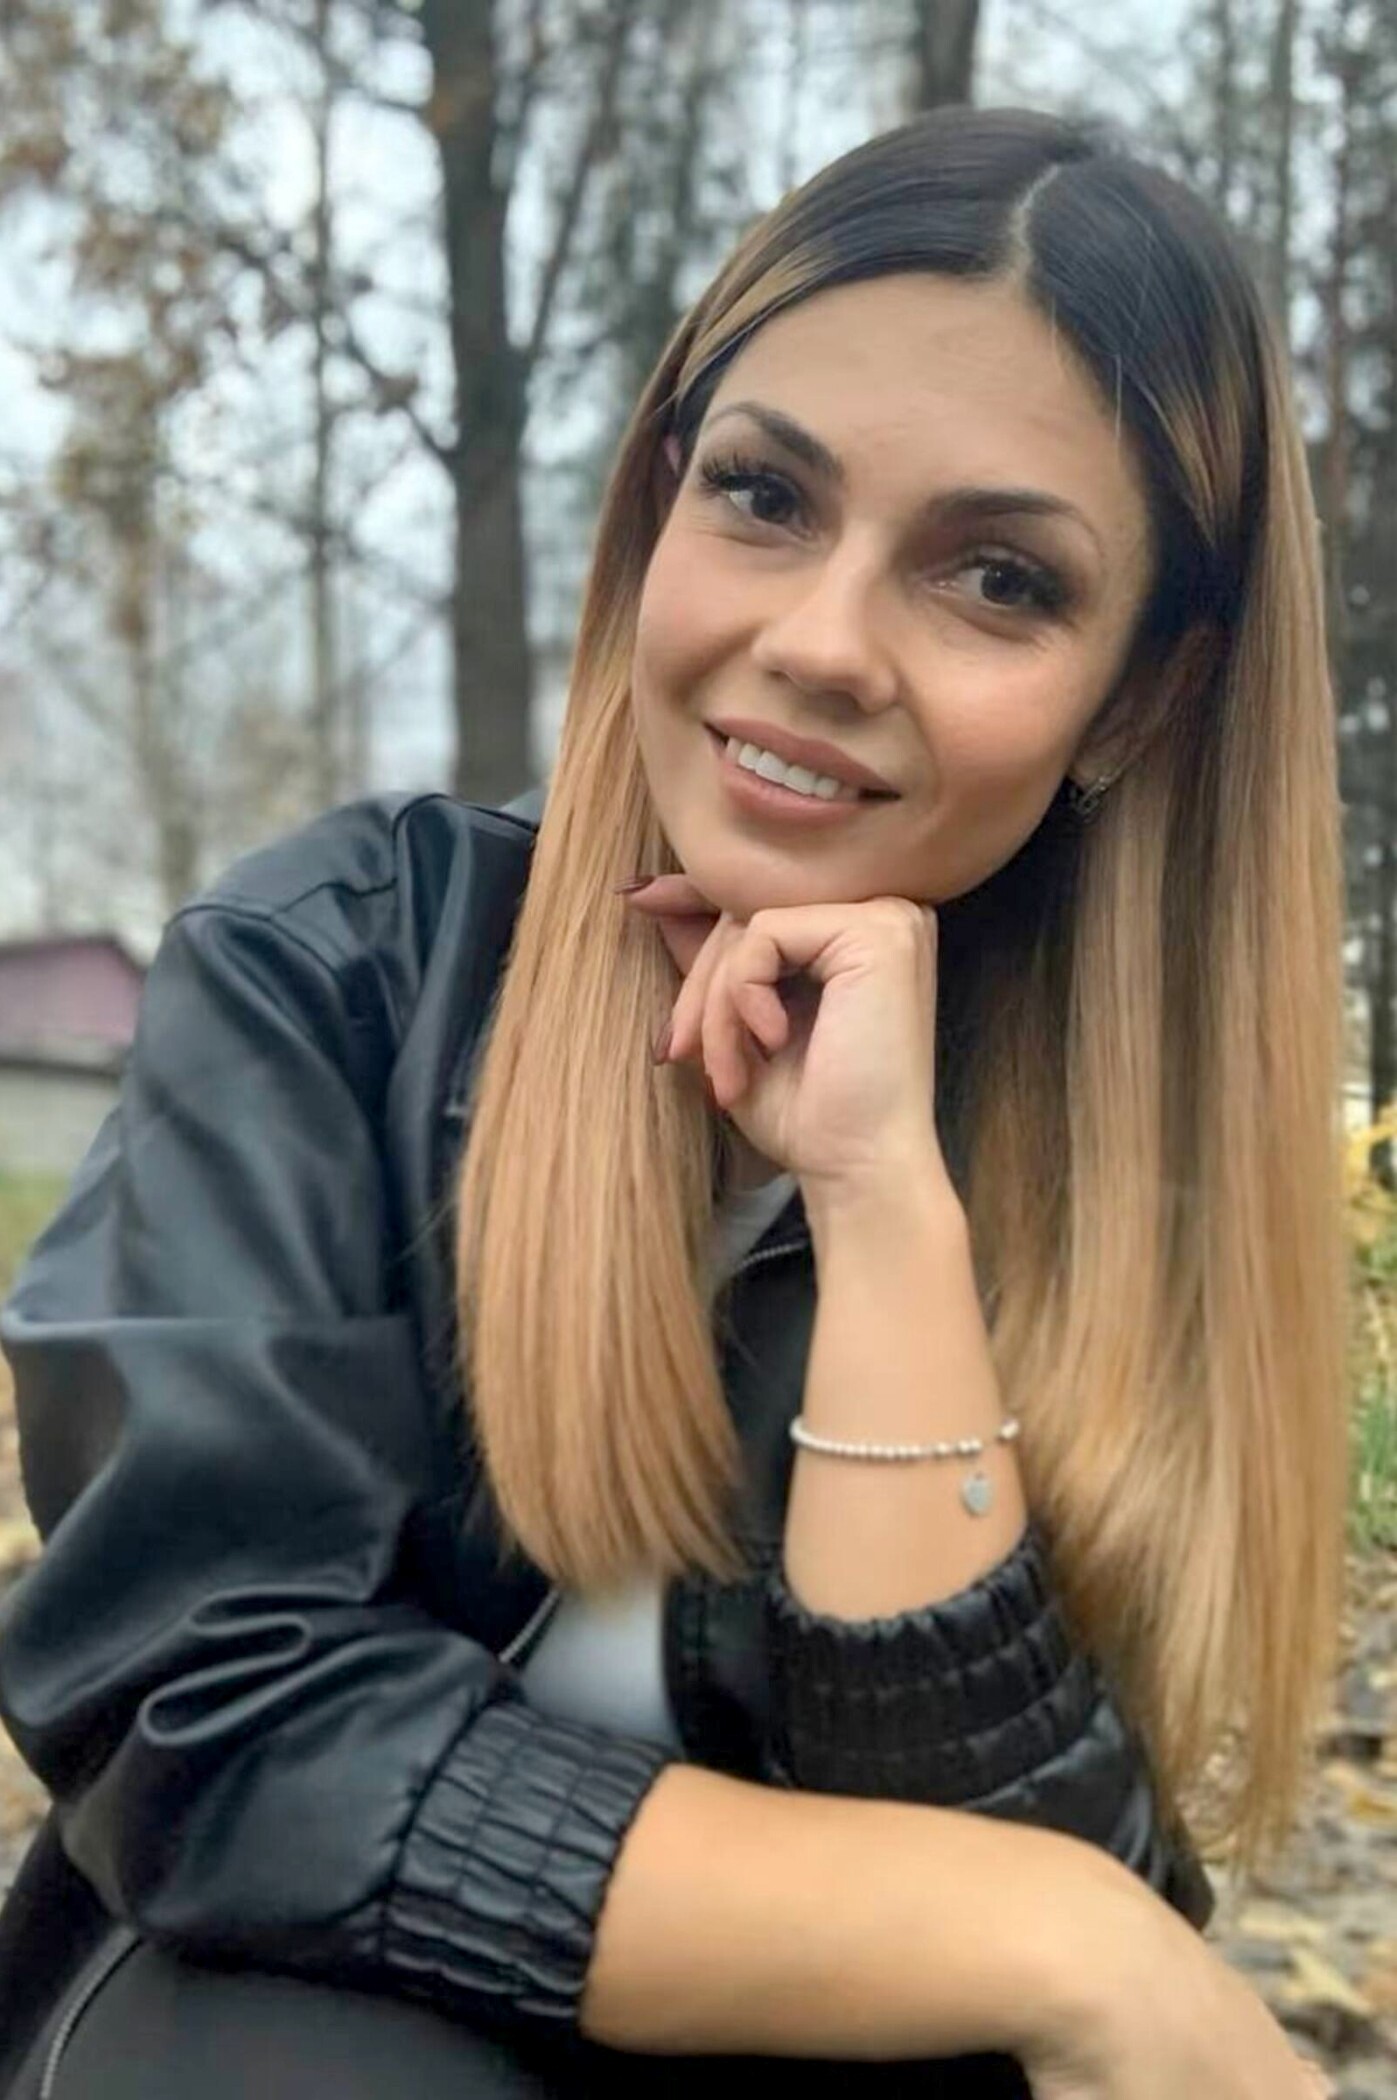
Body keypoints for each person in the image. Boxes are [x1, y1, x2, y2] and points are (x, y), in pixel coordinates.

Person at [0, 105, 1345, 2100]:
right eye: (763, 495)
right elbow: (209, 1714)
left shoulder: (1126, 1181)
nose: (819, 644)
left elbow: (1015, 1954)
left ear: (1141, 696)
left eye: (995, 578)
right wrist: (1055, 1940)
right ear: (655, 508)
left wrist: (884, 1210)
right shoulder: (342, 970)